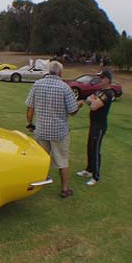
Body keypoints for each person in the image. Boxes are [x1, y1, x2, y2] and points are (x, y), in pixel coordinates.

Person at [25, 59, 79, 197]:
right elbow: (73, 111)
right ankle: (65, 189)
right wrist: (79, 104)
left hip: (41, 130)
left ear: (49, 71)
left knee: (41, 160)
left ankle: (36, 184)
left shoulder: (37, 84)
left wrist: (30, 123)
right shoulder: (65, 88)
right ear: (60, 72)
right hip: (59, 132)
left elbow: (30, 108)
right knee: (62, 161)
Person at [78, 69, 116, 186]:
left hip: (99, 126)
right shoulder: (100, 91)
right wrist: (92, 100)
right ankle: (89, 170)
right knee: (90, 147)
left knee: (95, 149)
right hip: (93, 124)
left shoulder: (108, 93)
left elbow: (94, 106)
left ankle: (96, 176)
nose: (99, 79)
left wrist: (92, 101)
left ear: (107, 79)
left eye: (102, 77)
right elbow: (89, 98)